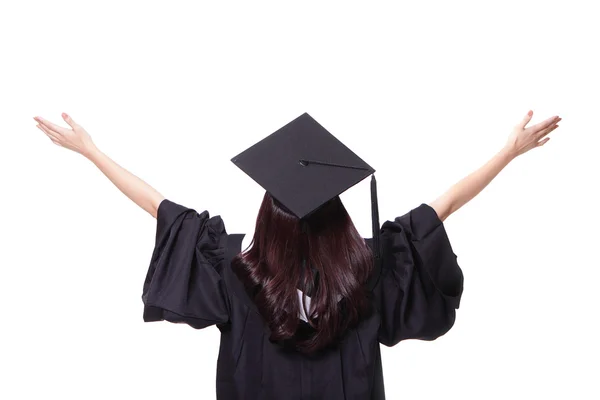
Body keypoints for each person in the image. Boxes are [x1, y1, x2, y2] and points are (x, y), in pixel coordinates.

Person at [33, 110, 560, 399]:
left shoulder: (236, 265)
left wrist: (92, 151)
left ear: (268, 217)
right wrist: (508, 153)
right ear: (339, 219)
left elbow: (160, 208)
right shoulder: (371, 267)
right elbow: (442, 207)